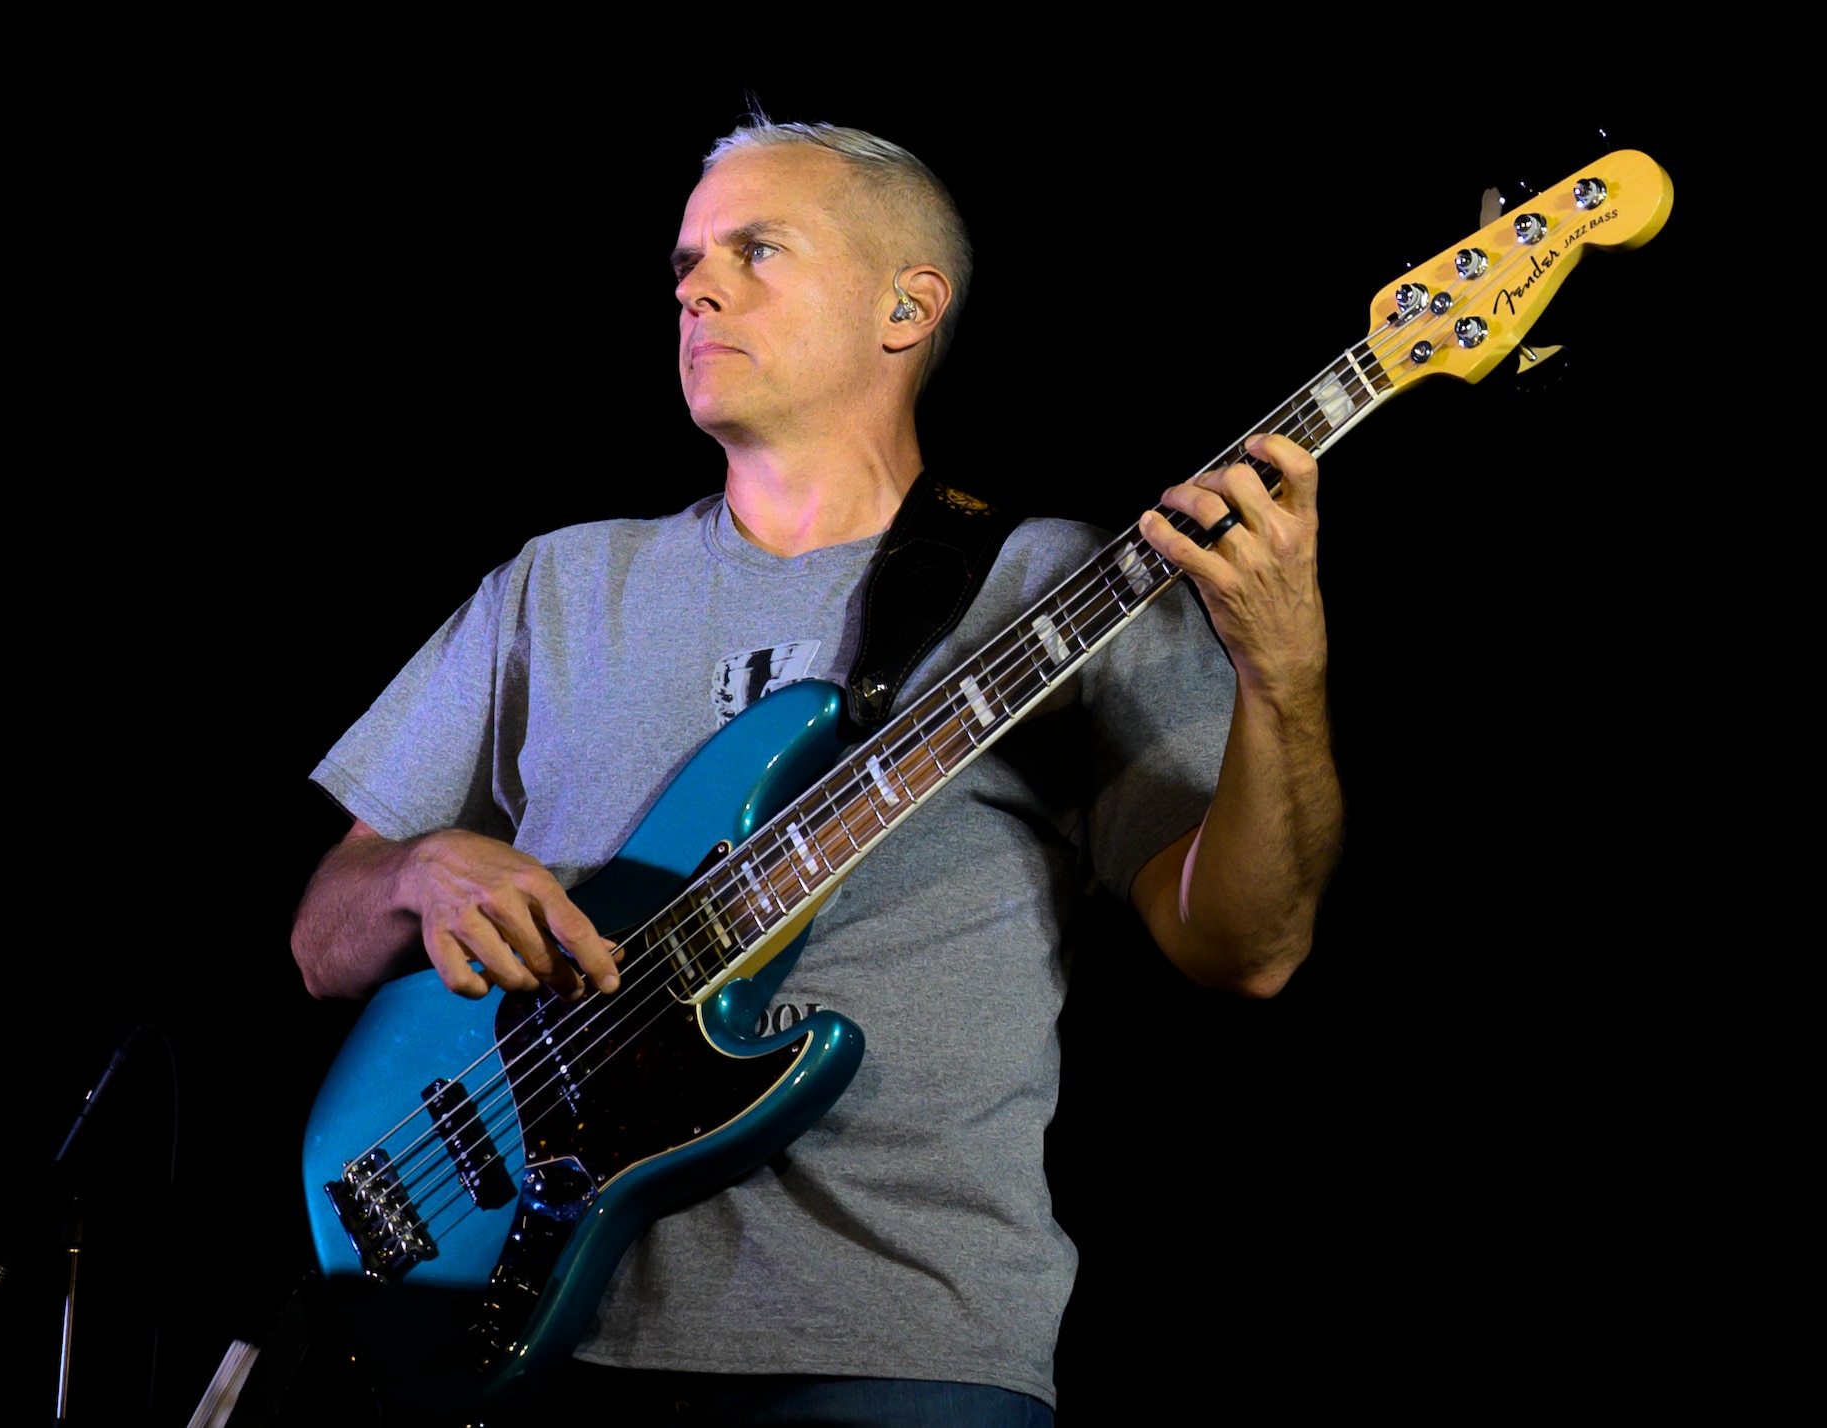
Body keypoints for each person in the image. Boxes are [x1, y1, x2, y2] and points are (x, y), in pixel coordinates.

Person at [292, 116, 1341, 1425]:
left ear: (907, 307)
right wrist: (419, 873)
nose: (694, 286)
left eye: (756, 249)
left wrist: (1284, 683)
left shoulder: (1053, 586)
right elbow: (325, 943)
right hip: (523, 1350)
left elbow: (1246, 947)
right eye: (684, 261)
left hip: (899, 1348)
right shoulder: (556, 584)